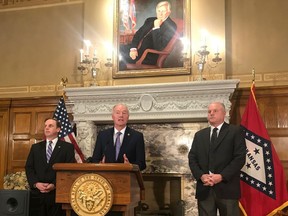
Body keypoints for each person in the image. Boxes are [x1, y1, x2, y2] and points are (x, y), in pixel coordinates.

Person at [188, 102, 246, 216]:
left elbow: (239, 158)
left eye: (215, 111)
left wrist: (221, 176)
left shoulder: (235, 131)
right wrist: (201, 175)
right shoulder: (199, 135)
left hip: (227, 188)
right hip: (205, 188)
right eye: (209, 111)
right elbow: (192, 158)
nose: (211, 114)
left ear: (224, 114)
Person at [25, 118, 75, 216]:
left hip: (57, 195)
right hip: (37, 195)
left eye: (50, 126)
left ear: (58, 129)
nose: (47, 128)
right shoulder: (36, 147)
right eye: (45, 126)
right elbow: (29, 167)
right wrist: (36, 183)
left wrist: (54, 184)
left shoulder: (67, 147)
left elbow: (69, 170)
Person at [119, 1, 177, 69]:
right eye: (159, 11)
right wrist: (133, 49)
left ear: (169, 12)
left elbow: (159, 47)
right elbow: (138, 34)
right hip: (135, 50)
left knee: (118, 59)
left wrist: (156, 28)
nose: (160, 13)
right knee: (115, 49)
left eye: (163, 11)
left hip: (146, 55)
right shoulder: (150, 20)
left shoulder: (171, 26)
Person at [91, 103, 146, 171]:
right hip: (106, 176)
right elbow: (95, 159)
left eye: (124, 113)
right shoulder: (103, 135)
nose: (121, 115)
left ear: (128, 117)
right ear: (113, 116)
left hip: (127, 177)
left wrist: (130, 166)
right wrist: (100, 164)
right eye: (117, 113)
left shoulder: (137, 136)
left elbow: (142, 164)